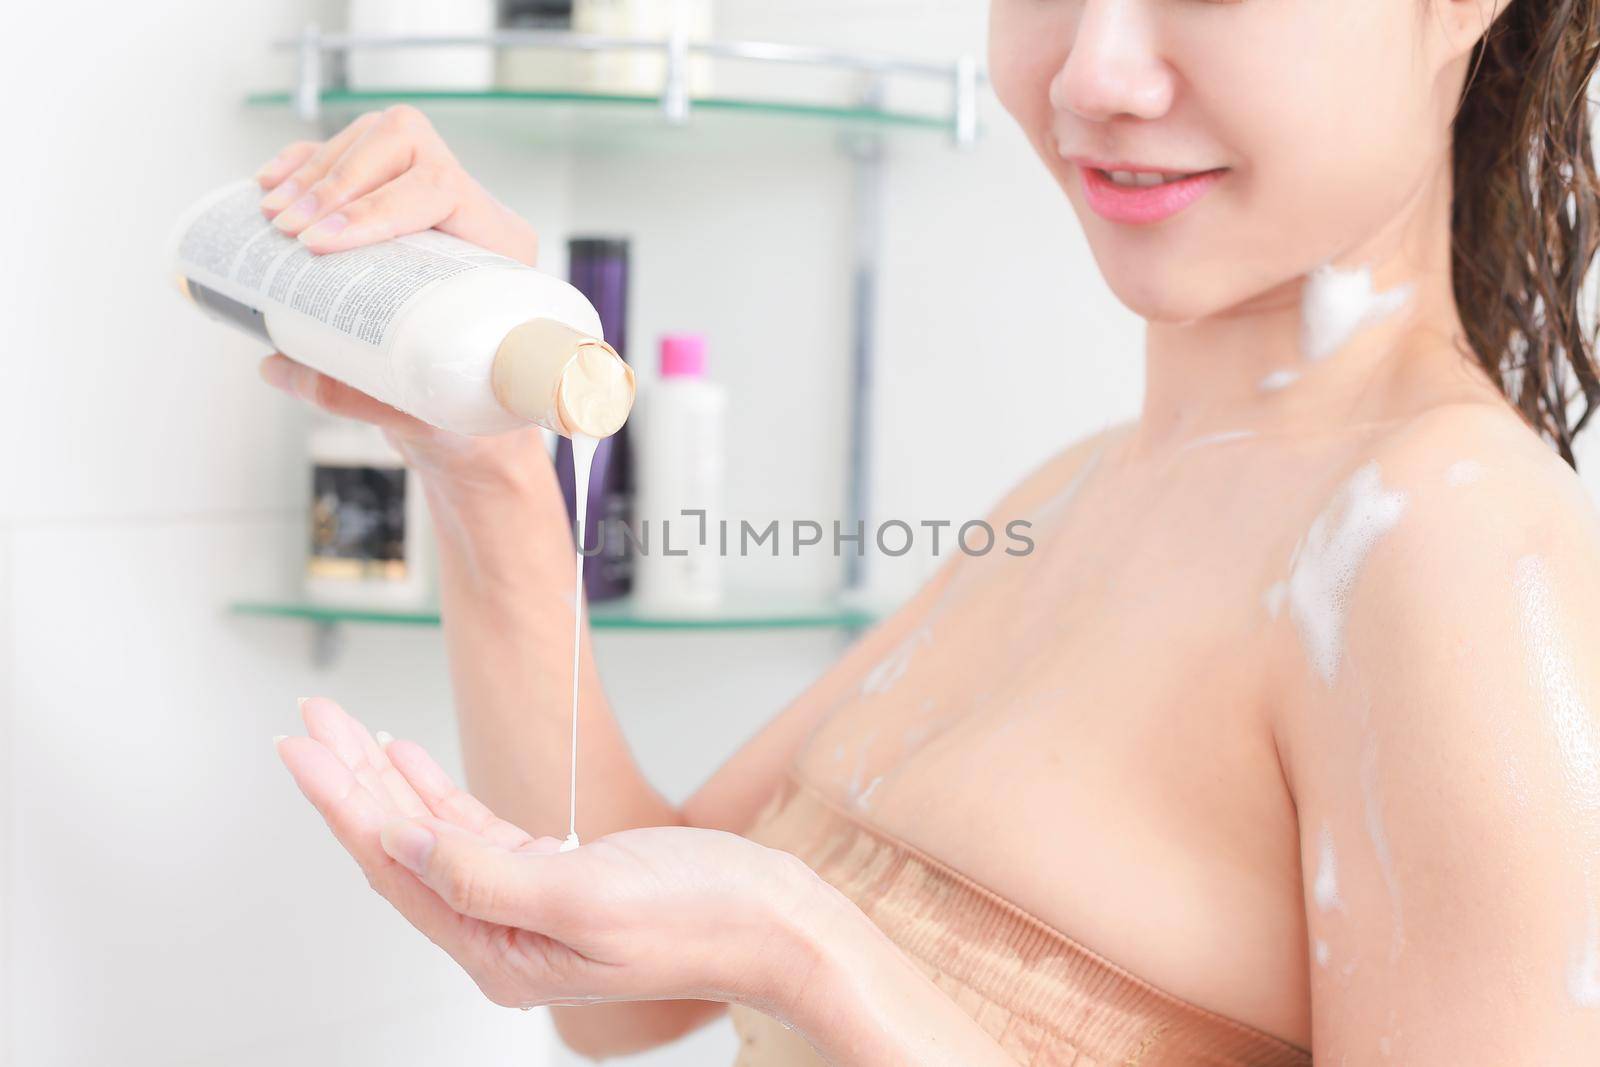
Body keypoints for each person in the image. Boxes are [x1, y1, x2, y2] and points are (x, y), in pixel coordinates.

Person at [266, 0, 1600, 1062]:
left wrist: (807, 952)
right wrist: (490, 463)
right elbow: (617, 1001)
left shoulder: (1457, 555)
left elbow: (761, 942)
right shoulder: (1076, 492)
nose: (1096, 73)